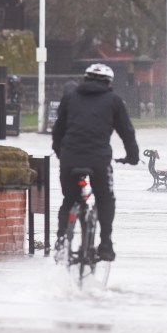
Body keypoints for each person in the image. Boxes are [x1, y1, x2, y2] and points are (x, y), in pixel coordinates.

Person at [52, 63, 140, 261]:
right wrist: (132, 157)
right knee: (105, 198)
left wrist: (60, 153)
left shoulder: (70, 98)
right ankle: (106, 243)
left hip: (69, 158)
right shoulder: (114, 101)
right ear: (109, 83)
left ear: (85, 79)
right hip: (99, 160)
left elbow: (58, 130)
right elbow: (127, 132)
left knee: (69, 199)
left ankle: (61, 240)